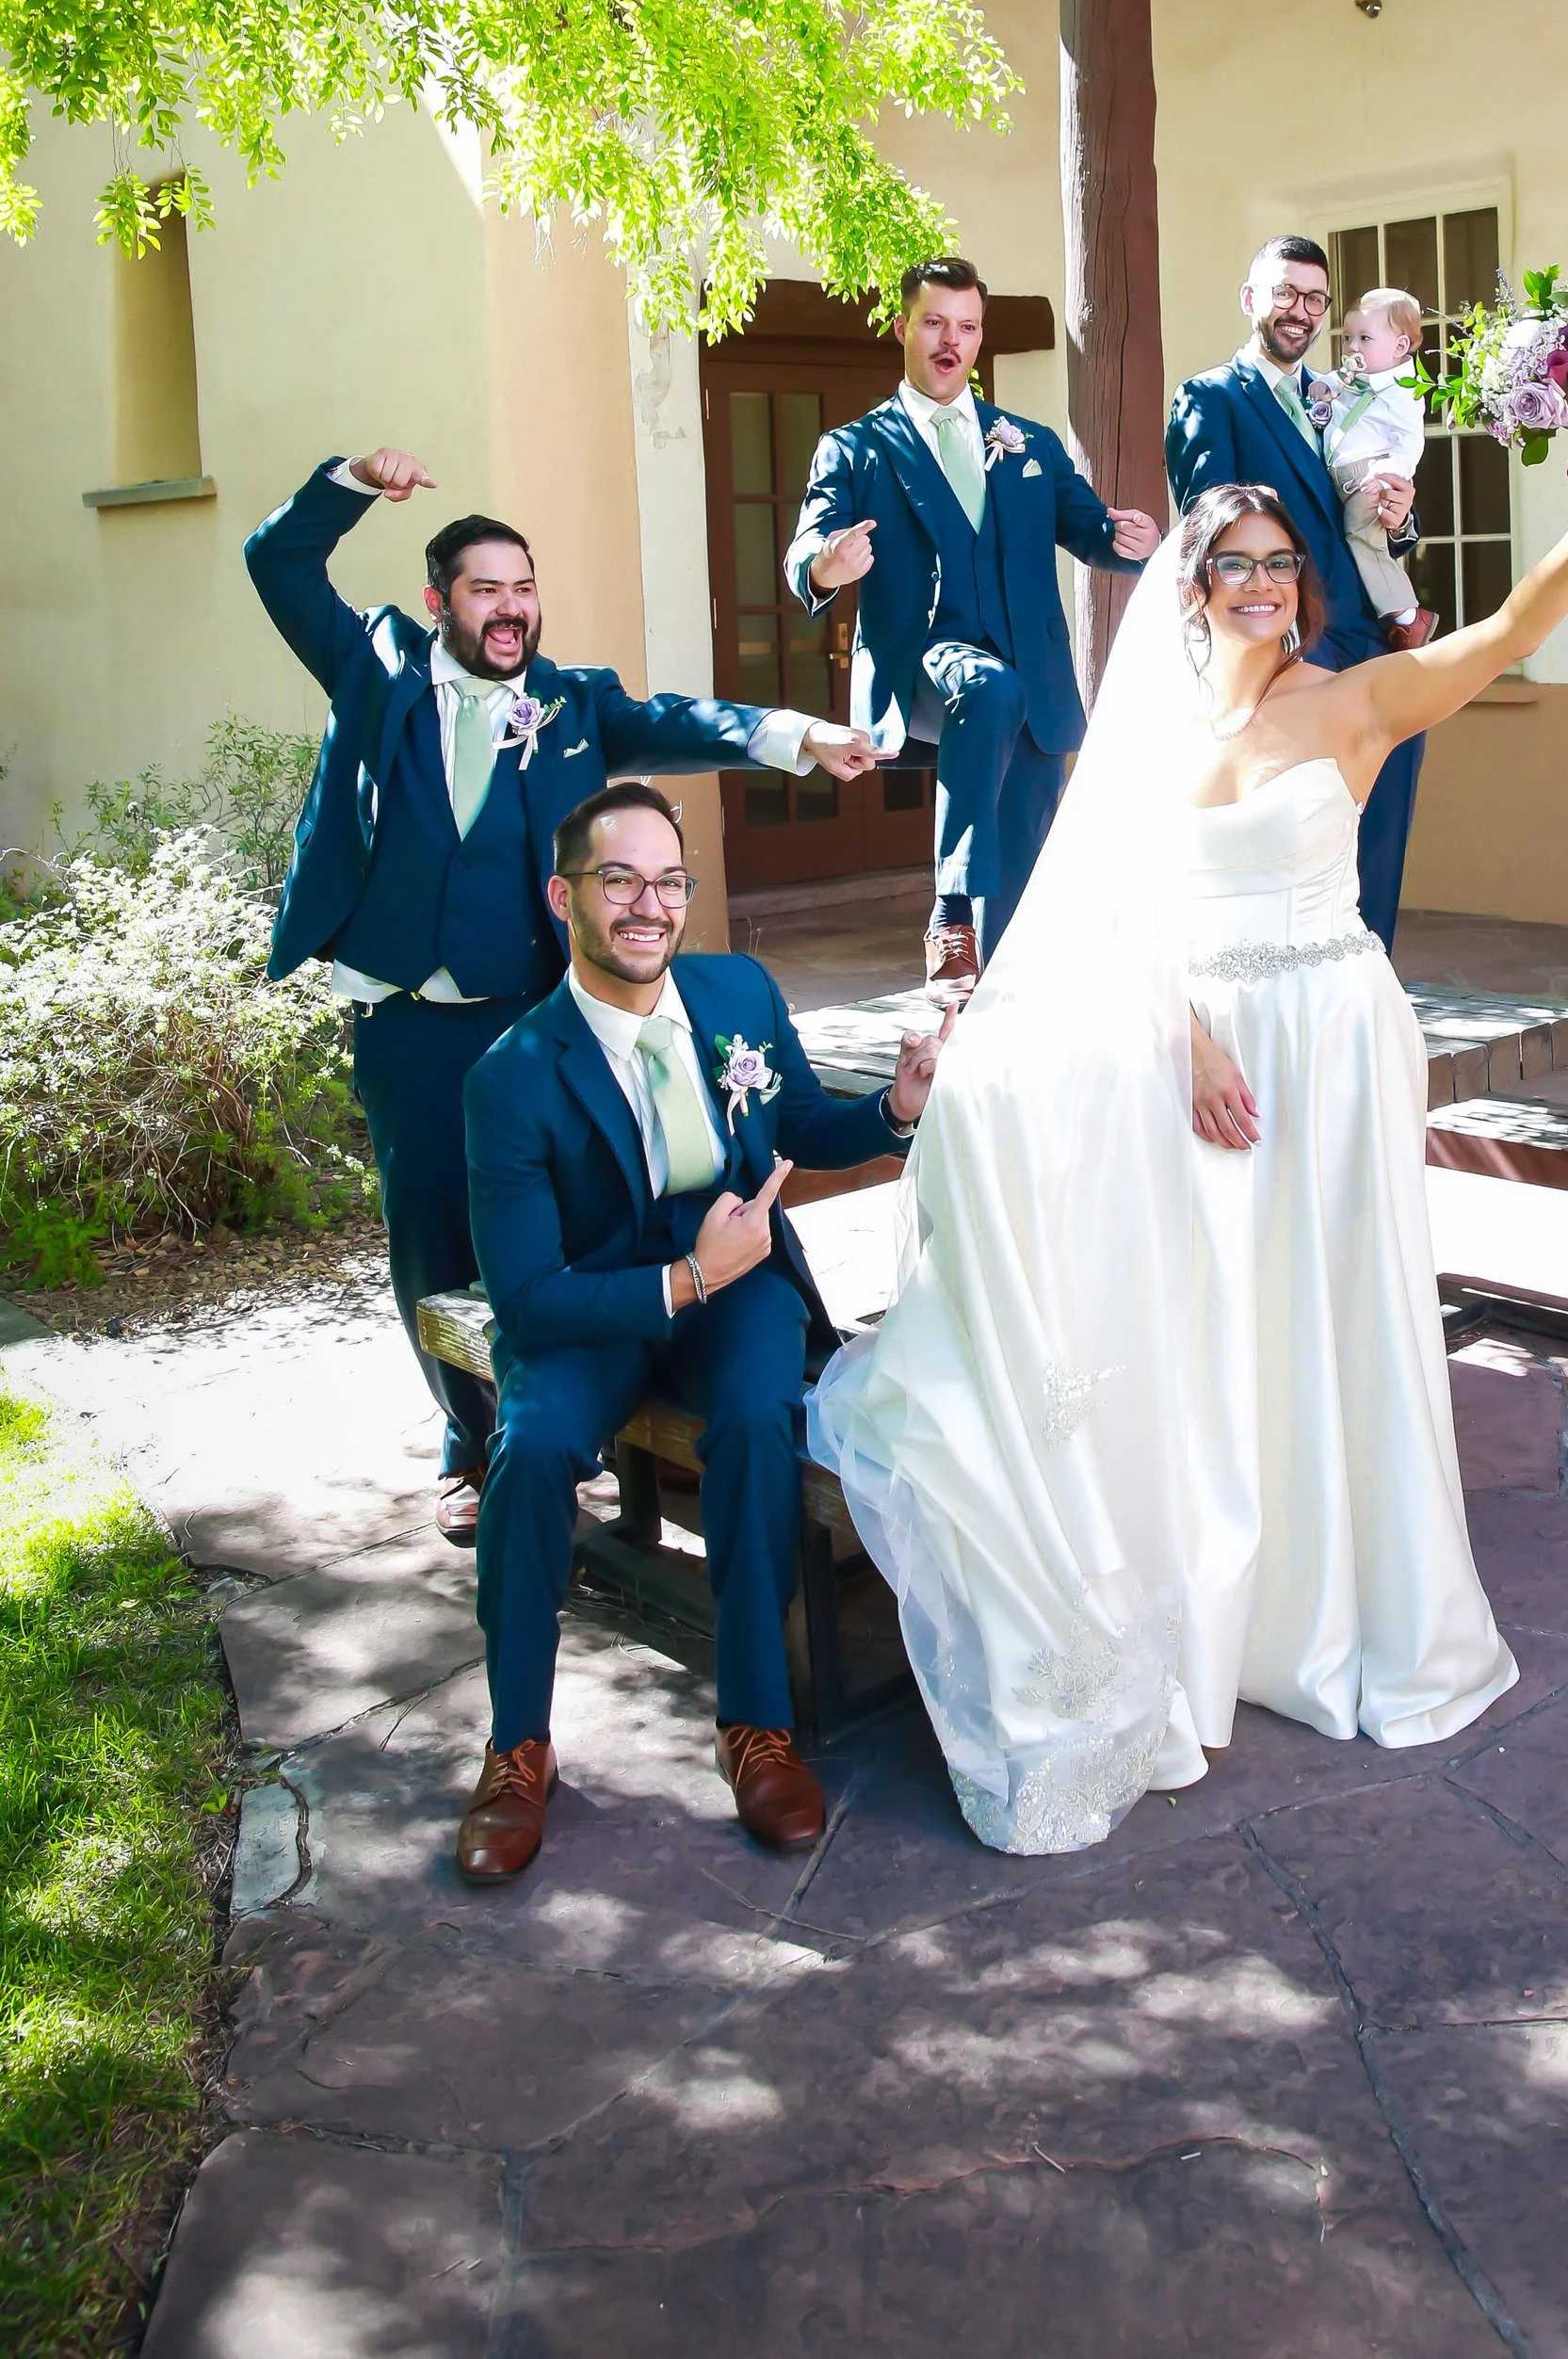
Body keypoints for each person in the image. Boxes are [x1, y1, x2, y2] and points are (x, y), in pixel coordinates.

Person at [809, 411, 1568, 1858]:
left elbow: (1512, 628)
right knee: (1217, 1319)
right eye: (1237, 565)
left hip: (1332, 1044)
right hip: (1203, 1054)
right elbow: (1113, 903)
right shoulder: (1150, 732)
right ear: (1193, 586)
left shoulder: (1356, 706)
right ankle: (1220, 1601)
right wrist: (1189, 1035)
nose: (1263, 583)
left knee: (1338, 1318)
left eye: (1281, 564)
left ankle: (1347, 1612)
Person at [247, 447, 877, 1544]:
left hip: (536, 1015)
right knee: (433, 1235)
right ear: (440, 598)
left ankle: (624, 1415)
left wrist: (797, 735)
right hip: (407, 1014)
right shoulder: (376, 664)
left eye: (525, 587)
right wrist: (349, 479)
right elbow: (279, 558)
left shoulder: (573, 703)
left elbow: (686, 720)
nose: (511, 608)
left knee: (582, 1227)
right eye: (486, 588)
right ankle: (468, 1444)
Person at [452, 782, 939, 1882]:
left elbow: (799, 1121)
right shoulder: (511, 1077)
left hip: (740, 1285)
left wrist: (894, 1110)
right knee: (526, 1456)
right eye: (618, 878)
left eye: (668, 880)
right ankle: (516, 1743)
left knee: (764, 1416)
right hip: (594, 1306)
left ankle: (755, 1723)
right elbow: (525, 1298)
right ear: (561, 894)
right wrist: (677, 1278)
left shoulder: (737, 991)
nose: (648, 904)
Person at [786, 257, 1159, 1003]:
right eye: (933, 323)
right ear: (902, 328)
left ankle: (994, 1030)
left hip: (1034, 682)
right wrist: (828, 564)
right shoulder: (856, 448)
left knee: (1018, 898)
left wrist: (1129, 538)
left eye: (966, 326)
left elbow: (1088, 527)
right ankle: (948, 912)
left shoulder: (1027, 441)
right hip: (925, 665)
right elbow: (805, 554)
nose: (949, 341)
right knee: (985, 688)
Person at [1166, 237, 1425, 948]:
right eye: (1285, 293)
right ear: (1251, 299)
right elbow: (1209, 529)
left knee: (1382, 835)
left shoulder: (1338, 396)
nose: (1300, 311)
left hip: (1373, 644)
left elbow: (1364, 512)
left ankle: (1367, 988)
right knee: (1301, 847)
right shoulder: (1211, 397)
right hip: (1289, 656)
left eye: (1315, 298)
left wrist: (1401, 515)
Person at [1317, 287, 1436, 652]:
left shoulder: (1404, 391)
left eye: (1364, 338)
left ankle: (1407, 616)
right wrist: (1324, 386)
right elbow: (1335, 383)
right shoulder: (1356, 378)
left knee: (1362, 536)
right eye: (1348, 338)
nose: (1352, 347)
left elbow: (1409, 442)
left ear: (1400, 346)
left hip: (1371, 479)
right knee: (1359, 539)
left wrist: (1389, 472)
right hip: (1342, 478)